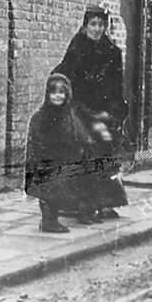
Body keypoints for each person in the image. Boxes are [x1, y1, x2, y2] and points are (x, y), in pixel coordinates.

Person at [53, 4, 130, 219]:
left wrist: (114, 113)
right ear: (85, 26)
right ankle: (80, 204)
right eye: (93, 24)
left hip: (103, 111)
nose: (96, 29)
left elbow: (116, 85)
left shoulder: (112, 52)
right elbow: (64, 74)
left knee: (107, 150)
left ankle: (106, 202)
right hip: (79, 109)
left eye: (101, 24)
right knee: (84, 151)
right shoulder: (77, 48)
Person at [24, 74, 95, 232]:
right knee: (49, 191)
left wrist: (83, 147)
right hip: (46, 160)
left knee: (64, 189)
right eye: (53, 92)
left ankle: (69, 215)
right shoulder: (40, 116)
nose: (57, 96)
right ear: (47, 94)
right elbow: (35, 139)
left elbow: (80, 134)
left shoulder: (69, 114)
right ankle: (49, 221)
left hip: (66, 158)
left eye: (61, 92)